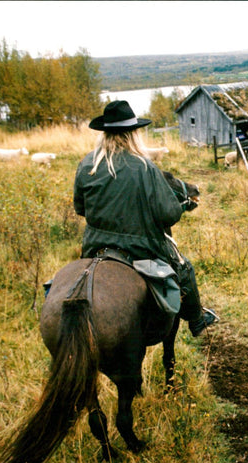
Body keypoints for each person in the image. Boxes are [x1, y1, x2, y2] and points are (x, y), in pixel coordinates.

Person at [73, 100, 219, 337]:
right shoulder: (144, 166)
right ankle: (197, 321)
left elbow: (80, 208)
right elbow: (168, 213)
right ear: (133, 133)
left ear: (105, 132)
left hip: (94, 247)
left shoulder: (87, 163)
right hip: (141, 247)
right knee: (184, 268)